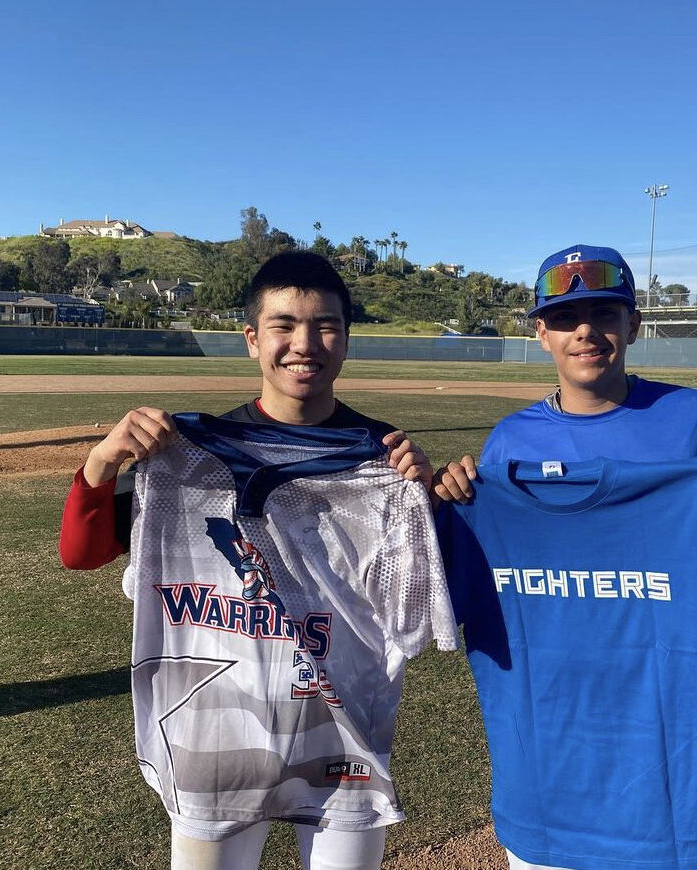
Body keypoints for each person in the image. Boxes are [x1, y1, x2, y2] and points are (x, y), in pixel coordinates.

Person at [59, 251, 454, 870]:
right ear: (252, 339)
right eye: (283, 326)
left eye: (324, 326)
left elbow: (415, 616)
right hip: (212, 739)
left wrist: (429, 503)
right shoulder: (188, 456)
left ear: (346, 340)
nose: (304, 344)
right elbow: (81, 555)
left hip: (341, 744)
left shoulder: (384, 461)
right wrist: (99, 464)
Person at [433, 244, 697, 870]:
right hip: (550, 737)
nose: (585, 331)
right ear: (541, 334)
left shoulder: (693, 417)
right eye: (564, 318)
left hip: (667, 730)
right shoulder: (509, 442)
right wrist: (452, 501)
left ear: (633, 325)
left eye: (603, 314)